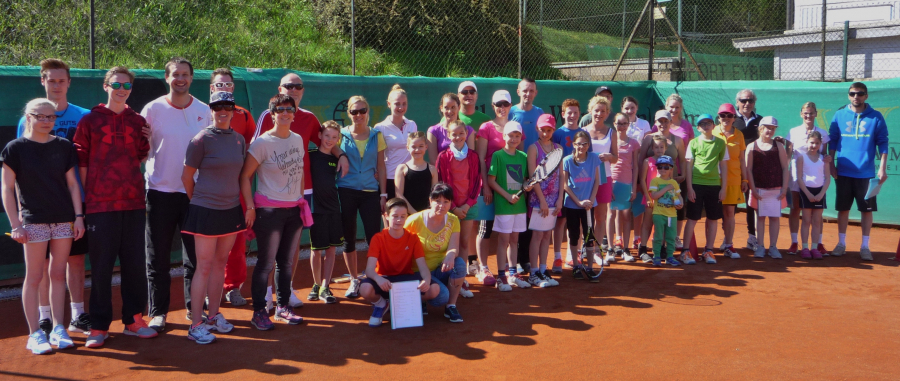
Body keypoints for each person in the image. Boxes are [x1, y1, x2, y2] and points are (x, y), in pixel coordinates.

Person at [72, 66, 156, 348]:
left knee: (134, 265)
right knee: (101, 268)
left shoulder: (137, 121)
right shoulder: (90, 120)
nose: (122, 89)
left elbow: (141, 155)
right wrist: (87, 201)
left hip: (133, 203)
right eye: (117, 84)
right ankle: (98, 326)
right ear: (106, 87)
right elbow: (81, 161)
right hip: (99, 206)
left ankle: (134, 320)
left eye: (127, 85)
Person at [253, 73, 348, 307]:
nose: (293, 90)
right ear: (279, 89)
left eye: (298, 87)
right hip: (272, 193)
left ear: (302, 91)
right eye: (288, 86)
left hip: (301, 191)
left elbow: (326, 141)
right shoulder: (268, 116)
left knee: (292, 245)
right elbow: (254, 153)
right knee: (271, 246)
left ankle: (287, 289)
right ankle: (266, 293)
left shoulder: (309, 118)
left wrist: (341, 155)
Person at [15, 59, 91, 336]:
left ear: (69, 83)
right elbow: (20, 168)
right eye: (51, 80)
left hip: (74, 204)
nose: (56, 85)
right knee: (42, 265)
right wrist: (23, 209)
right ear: (42, 81)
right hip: (38, 208)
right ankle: (45, 316)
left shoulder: (83, 116)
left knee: (74, 261)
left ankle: (78, 314)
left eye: (61, 80)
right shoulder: (28, 119)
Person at [3, 98, 84, 354]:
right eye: (41, 116)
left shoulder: (63, 146)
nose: (47, 121)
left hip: (63, 219)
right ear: (28, 116)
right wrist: (16, 224)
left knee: (58, 274)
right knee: (35, 276)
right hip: (32, 221)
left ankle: (60, 328)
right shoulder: (15, 148)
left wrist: (78, 217)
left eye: (51, 117)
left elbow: (72, 184)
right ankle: (35, 334)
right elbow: (6, 188)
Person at [141, 57, 208, 331]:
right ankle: (158, 312)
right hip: (159, 192)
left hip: (195, 194)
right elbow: (143, 149)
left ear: (192, 79)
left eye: (185, 74)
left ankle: (195, 310)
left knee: (195, 257)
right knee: (157, 257)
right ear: (167, 78)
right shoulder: (152, 109)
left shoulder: (204, 110)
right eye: (175, 74)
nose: (180, 79)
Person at [180, 91, 246, 344]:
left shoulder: (239, 140)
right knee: (204, 266)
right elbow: (187, 178)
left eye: (227, 106)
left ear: (233, 110)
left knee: (221, 264)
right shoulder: (200, 140)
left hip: (230, 210)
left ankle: (213, 315)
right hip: (205, 211)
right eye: (217, 106)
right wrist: (199, 202)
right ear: (211, 110)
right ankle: (196, 323)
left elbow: (240, 177)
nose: (223, 110)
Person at [240, 94, 309, 330]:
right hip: (268, 211)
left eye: (290, 109)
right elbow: (245, 177)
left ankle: (282, 307)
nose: (286, 113)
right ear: (272, 114)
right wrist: (250, 207)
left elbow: (298, 173)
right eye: (280, 110)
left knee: (286, 263)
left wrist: (300, 200)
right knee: (266, 263)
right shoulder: (261, 143)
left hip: (293, 210)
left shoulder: (298, 139)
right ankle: (259, 311)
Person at [208, 68, 256, 308]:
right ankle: (208, 289)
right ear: (211, 88)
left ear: (233, 88)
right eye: (219, 85)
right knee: (209, 243)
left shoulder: (244, 115)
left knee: (236, 243)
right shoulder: (202, 112)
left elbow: (253, 150)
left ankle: (233, 287)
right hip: (207, 191)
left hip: (236, 188)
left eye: (228, 85)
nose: (224, 88)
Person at [828, 82, 888, 261]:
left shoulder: (876, 117)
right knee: (843, 209)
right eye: (853, 93)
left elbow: (883, 142)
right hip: (844, 171)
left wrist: (882, 168)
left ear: (866, 96)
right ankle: (841, 244)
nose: (856, 97)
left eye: (860, 93)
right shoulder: (839, 115)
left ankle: (865, 246)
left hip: (867, 174)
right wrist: (831, 164)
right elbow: (832, 141)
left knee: (866, 211)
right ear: (849, 96)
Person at [337, 95, 388, 298]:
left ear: (368, 112)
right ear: (349, 113)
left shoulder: (377, 135)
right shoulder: (340, 135)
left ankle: (372, 276)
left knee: (373, 238)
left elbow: (381, 167)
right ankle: (353, 279)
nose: (358, 115)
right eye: (354, 111)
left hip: (370, 192)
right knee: (348, 237)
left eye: (362, 111)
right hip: (346, 190)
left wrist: (383, 194)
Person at [360, 198, 440, 328]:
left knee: (434, 289)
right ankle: (381, 304)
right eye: (395, 216)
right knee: (364, 289)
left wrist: (426, 279)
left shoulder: (413, 238)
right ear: (386, 216)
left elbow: (423, 266)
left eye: (403, 216)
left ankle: (403, 304)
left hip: (405, 280)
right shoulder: (378, 238)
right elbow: (369, 269)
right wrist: (378, 279)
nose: (399, 220)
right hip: (384, 281)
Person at [405, 184, 467, 322]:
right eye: (437, 201)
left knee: (460, 264)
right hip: (418, 272)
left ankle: (451, 306)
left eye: (446, 201)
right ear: (430, 201)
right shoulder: (415, 220)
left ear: (451, 203)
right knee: (441, 296)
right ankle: (418, 298)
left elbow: (454, 247)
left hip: (440, 269)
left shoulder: (453, 220)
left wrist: (450, 255)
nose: (441, 205)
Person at [435, 120, 481, 297]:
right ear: (448, 135)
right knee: (448, 244)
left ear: (466, 134)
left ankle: (459, 279)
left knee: (463, 243)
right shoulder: (443, 157)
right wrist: (453, 207)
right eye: (454, 134)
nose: (458, 136)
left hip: (468, 207)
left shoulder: (474, 156)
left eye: (461, 133)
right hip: (450, 208)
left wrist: (467, 205)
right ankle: (447, 277)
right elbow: (441, 183)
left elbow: (477, 182)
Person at [473, 90, 512, 286]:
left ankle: (508, 270)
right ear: (493, 105)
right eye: (498, 104)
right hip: (489, 185)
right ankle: (483, 267)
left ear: (510, 106)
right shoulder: (486, 127)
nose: (502, 108)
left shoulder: (514, 127)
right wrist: (486, 185)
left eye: (505, 104)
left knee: (507, 230)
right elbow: (480, 158)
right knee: (485, 228)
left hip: (508, 187)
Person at [488, 121, 531, 291]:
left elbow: (526, 179)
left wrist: (527, 185)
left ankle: (513, 274)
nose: (514, 139)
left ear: (521, 138)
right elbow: (491, 180)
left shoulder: (524, 157)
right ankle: (501, 276)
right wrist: (507, 196)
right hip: (504, 206)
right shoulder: (498, 156)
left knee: (515, 240)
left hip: (519, 207)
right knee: (503, 241)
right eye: (510, 135)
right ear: (504, 136)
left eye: (517, 136)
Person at [638, 110, 686, 263]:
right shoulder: (648, 155)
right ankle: (643, 249)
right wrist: (646, 195)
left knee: (663, 222)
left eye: (666, 121)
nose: (663, 124)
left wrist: (681, 179)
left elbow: (676, 171)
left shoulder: (676, 142)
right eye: (660, 120)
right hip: (651, 195)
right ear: (655, 122)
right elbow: (642, 171)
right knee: (647, 222)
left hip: (665, 197)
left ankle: (662, 250)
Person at [682, 109, 728, 264]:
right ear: (698, 128)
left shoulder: (721, 143)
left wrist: (723, 188)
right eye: (702, 124)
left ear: (713, 125)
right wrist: (689, 188)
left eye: (708, 123)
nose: (706, 126)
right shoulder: (693, 143)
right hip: (696, 184)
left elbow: (724, 166)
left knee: (713, 218)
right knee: (692, 218)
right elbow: (688, 166)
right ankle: (685, 251)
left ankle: (708, 251)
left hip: (714, 185)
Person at [307, 121, 344, 304]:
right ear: (320, 136)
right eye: (327, 136)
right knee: (316, 250)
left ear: (338, 140)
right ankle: (315, 284)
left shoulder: (338, 158)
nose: (330, 140)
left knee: (331, 249)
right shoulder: (310, 155)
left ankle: (325, 285)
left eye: (334, 137)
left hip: (333, 209)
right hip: (315, 209)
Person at [652, 94, 695, 250]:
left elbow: (686, 156)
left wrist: (683, 174)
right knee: (660, 207)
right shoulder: (655, 129)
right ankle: (659, 241)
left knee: (678, 206)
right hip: (658, 177)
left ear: (681, 108)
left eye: (677, 107)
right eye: (671, 106)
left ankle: (675, 237)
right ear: (666, 106)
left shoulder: (686, 126)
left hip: (676, 177)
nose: (674, 110)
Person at [787, 102, 830, 256]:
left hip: (815, 178)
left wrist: (830, 159)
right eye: (806, 112)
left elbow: (825, 156)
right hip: (796, 176)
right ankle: (794, 242)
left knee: (817, 213)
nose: (808, 115)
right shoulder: (793, 132)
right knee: (795, 208)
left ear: (816, 114)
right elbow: (788, 154)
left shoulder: (823, 133)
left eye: (811, 113)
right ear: (801, 114)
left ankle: (817, 244)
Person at [510, 78, 544, 273]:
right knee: (518, 215)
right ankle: (514, 260)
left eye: (531, 90)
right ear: (518, 91)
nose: (528, 93)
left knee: (531, 217)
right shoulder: (512, 113)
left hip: (537, 173)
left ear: (536, 93)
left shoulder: (539, 113)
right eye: (525, 90)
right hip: (517, 172)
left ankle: (526, 260)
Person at [524, 114, 562, 286]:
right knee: (538, 235)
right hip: (538, 200)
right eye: (542, 130)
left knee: (547, 235)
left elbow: (562, 176)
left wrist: (560, 198)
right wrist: (542, 201)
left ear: (553, 130)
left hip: (554, 199)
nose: (545, 133)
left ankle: (542, 270)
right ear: (537, 129)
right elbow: (533, 177)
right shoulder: (533, 148)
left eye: (549, 130)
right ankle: (533, 273)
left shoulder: (558, 148)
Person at [552, 99, 589, 271]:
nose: (572, 115)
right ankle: (557, 256)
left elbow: (588, 159)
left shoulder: (583, 133)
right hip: (560, 184)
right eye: (569, 112)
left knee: (577, 223)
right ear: (563, 114)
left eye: (575, 112)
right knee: (560, 221)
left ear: (579, 114)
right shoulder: (558, 133)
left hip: (579, 186)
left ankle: (573, 255)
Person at [562, 131, 603, 281]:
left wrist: (590, 201)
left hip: (589, 206)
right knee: (574, 236)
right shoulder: (567, 160)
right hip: (572, 205)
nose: (582, 146)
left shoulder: (594, 158)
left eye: (585, 144)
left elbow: (597, 181)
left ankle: (590, 268)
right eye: (579, 144)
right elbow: (565, 185)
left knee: (589, 237)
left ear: (588, 145)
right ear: (574, 145)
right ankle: (576, 267)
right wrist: (578, 202)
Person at [746, 116, 789, 259]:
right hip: (758, 190)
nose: (770, 130)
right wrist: (753, 188)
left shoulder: (780, 146)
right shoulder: (751, 147)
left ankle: (773, 247)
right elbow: (748, 170)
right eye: (767, 127)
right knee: (760, 217)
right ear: (761, 128)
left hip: (776, 189)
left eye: (773, 128)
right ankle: (760, 246)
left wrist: (784, 188)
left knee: (775, 218)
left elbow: (784, 168)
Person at [584, 96, 618, 264]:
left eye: (602, 111)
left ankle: (596, 251)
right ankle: (584, 249)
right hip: (586, 179)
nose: (599, 114)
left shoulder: (612, 132)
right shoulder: (582, 131)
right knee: (584, 215)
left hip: (605, 178)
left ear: (607, 113)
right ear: (591, 111)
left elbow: (616, 157)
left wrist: (608, 156)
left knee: (601, 216)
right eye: (596, 110)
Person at [712, 106, 747, 260]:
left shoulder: (739, 135)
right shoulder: (712, 132)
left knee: (729, 213)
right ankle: (709, 247)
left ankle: (728, 244)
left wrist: (744, 179)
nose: (725, 118)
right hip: (713, 180)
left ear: (734, 117)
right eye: (722, 115)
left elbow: (742, 160)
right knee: (713, 214)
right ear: (718, 117)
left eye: (729, 115)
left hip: (733, 179)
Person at [374, 84, 418, 199]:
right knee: (390, 215)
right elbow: (378, 157)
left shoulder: (412, 125)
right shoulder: (380, 128)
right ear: (389, 104)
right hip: (389, 178)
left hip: (410, 177)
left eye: (404, 104)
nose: (401, 107)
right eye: (397, 104)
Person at [733, 89, 762, 251]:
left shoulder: (761, 121)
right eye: (743, 100)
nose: (747, 103)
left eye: (750, 100)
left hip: (753, 169)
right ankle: (727, 240)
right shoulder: (730, 119)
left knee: (752, 203)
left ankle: (753, 237)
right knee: (729, 205)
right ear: (737, 102)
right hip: (732, 169)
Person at [621, 96, 651, 252]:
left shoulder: (644, 124)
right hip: (623, 170)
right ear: (622, 109)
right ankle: (619, 238)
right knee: (622, 205)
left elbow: (646, 147)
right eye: (626, 108)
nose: (629, 111)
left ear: (637, 108)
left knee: (639, 204)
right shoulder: (619, 124)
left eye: (632, 107)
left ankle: (637, 236)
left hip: (640, 169)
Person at [609, 113, 640, 262]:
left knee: (627, 217)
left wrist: (633, 188)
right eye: (618, 123)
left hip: (627, 184)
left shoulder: (634, 143)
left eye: (624, 123)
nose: (621, 126)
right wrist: (608, 185)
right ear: (614, 124)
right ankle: (611, 248)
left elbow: (635, 167)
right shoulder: (609, 141)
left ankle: (626, 249)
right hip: (612, 183)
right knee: (611, 215)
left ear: (628, 125)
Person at [796, 131, 831, 260]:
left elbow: (827, 179)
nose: (814, 145)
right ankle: (805, 248)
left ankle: (814, 248)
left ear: (821, 144)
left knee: (817, 222)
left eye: (817, 143)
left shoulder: (824, 159)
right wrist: (808, 193)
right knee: (806, 221)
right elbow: (799, 178)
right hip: (806, 192)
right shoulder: (801, 157)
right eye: (811, 142)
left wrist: (821, 193)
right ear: (807, 142)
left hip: (820, 192)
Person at [648, 155, 684, 266]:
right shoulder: (655, 181)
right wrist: (666, 188)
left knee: (671, 237)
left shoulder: (674, 183)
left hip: (672, 215)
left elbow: (679, 195)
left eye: (666, 167)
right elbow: (653, 196)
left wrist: (681, 203)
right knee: (658, 236)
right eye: (660, 167)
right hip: (658, 214)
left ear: (671, 169)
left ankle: (669, 257)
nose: (663, 169)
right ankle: (656, 256)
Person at [428, 93, 475, 167]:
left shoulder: (469, 130)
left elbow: (471, 159)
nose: (450, 111)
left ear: (459, 107)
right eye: (446, 107)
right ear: (441, 108)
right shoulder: (433, 131)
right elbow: (434, 162)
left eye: (453, 107)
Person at [395, 131, 437, 212]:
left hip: (427, 216)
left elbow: (435, 195)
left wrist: (427, 213)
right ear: (407, 147)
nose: (417, 150)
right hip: (408, 216)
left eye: (421, 146)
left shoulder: (432, 169)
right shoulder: (402, 169)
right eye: (413, 146)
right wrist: (415, 214)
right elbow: (399, 195)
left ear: (426, 147)